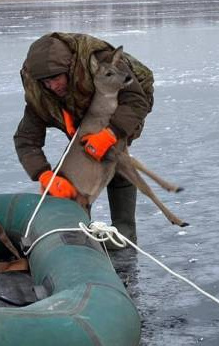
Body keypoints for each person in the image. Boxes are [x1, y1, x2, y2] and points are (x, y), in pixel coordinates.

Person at [14, 32, 154, 248]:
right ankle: (78, 231)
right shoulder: (40, 95)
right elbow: (25, 139)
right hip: (80, 111)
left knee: (112, 158)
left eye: (55, 78)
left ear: (69, 70)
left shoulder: (100, 60)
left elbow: (136, 101)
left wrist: (110, 134)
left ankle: (125, 232)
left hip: (124, 100)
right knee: (74, 172)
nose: (52, 85)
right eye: (45, 82)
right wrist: (43, 174)